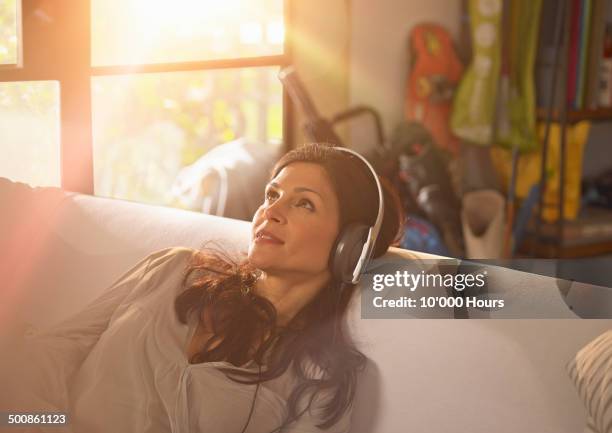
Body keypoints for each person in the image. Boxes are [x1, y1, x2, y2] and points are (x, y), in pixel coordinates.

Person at [0, 143, 403, 433]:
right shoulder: (174, 271)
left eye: (304, 204)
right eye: (272, 195)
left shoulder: (319, 380)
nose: (271, 212)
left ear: (348, 247)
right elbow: (50, 355)